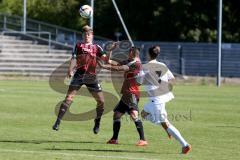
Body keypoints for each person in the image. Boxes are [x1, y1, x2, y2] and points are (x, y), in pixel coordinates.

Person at [52, 25, 112, 134]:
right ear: (82, 35)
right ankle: (58, 121)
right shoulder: (79, 45)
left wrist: (110, 51)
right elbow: (74, 58)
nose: (87, 36)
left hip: (91, 76)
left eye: (88, 34)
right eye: (85, 34)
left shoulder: (97, 47)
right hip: (79, 75)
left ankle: (97, 121)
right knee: (68, 98)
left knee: (101, 101)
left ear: (92, 35)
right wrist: (70, 70)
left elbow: (106, 60)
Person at [141, 46, 192, 153]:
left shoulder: (145, 66)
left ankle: (185, 145)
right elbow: (172, 78)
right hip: (158, 99)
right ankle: (166, 128)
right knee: (143, 114)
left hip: (156, 100)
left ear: (148, 54)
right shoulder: (162, 65)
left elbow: (138, 81)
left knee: (165, 123)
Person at [100, 47, 148, 146]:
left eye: (128, 52)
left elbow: (119, 68)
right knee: (117, 114)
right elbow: (111, 61)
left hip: (132, 93)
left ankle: (143, 139)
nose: (127, 54)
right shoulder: (129, 61)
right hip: (126, 93)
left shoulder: (136, 64)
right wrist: (110, 50)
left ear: (131, 53)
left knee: (134, 115)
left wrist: (103, 67)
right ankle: (114, 139)